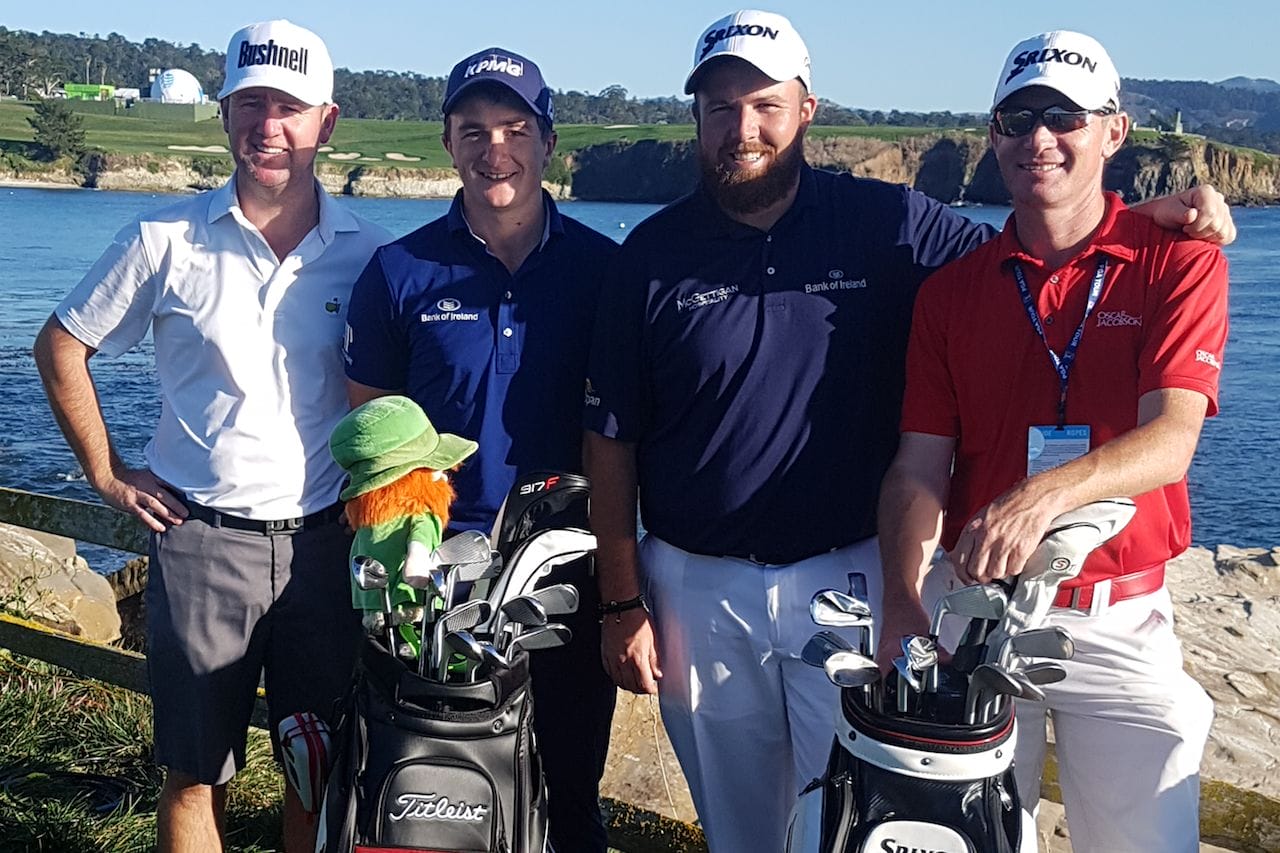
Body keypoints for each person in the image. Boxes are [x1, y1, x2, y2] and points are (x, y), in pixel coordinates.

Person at [583, 10, 1234, 852]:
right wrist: (621, 599)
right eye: (720, 107)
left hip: (877, 583)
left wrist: (1133, 219)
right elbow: (611, 438)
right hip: (719, 592)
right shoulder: (648, 256)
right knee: (760, 833)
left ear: (807, 110)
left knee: (861, 821)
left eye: (766, 105)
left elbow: (1061, 244)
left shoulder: (889, 222)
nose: (742, 127)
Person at [32, 20, 391, 853]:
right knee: (195, 774)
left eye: (289, 107)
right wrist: (108, 472)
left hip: (326, 547)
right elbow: (60, 346)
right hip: (200, 541)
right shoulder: (162, 239)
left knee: (317, 769)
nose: (269, 125)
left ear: (327, 122)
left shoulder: (373, 255)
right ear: (224, 113)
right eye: (250, 103)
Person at [876, 30, 1223, 852]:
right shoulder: (951, 293)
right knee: (966, 838)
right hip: (975, 610)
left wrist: (1040, 496)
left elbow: (1172, 437)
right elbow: (918, 467)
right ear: (993, 136)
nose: (1040, 138)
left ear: (1114, 131)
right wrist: (901, 600)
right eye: (1018, 117)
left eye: (1066, 117)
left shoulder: (1177, 261)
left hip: (1119, 615)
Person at [342, 48, 619, 852]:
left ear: (548, 142)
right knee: (434, 795)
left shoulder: (606, 271)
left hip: (566, 569)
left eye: (515, 128)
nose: (495, 149)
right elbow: (374, 439)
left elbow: (624, 433)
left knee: (569, 790)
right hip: (433, 577)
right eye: (473, 130)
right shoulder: (398, 272)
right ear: (448, 144)